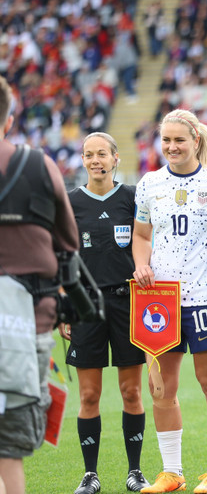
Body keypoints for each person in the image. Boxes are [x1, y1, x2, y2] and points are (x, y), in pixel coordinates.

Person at [132, 109, 207, 494]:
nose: (172, 147)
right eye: (166, 140)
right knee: (161, 389)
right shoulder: (148, 184)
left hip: (205, 298)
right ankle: (172, 472)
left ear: (196, 140)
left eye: (179, 140)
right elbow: (142, 236)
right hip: (158, 301)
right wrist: (141, 265)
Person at [0, 76, 80, 493]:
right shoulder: (38, 164)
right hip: (26, 320)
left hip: (30, 315)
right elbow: (69, 241)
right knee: (10, 448)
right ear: (10, 119)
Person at [59, 132, 149, 494]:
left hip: (128, 303)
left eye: (101, 154)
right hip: (84, 305)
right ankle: (90, 475)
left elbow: (146, 244)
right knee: (89, 396)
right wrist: (65, 307)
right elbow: (63, 257)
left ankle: (135, 471)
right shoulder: (69, 203)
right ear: (83, 161)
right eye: (88, 155)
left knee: (131, 392)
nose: (95, 160)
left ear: (115, 159)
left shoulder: (132, 197)